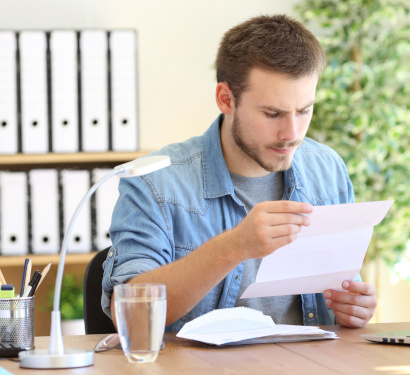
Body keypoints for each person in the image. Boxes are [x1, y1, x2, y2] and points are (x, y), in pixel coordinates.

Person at [101, 14, 377, 330]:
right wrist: (234, 247)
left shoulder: (326, 169)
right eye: (272, 114)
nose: (292, 133)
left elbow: (344, 283)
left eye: (304, 111)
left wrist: (355, 306)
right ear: (226, 99)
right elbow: (131, 318)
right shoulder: (155, 182)